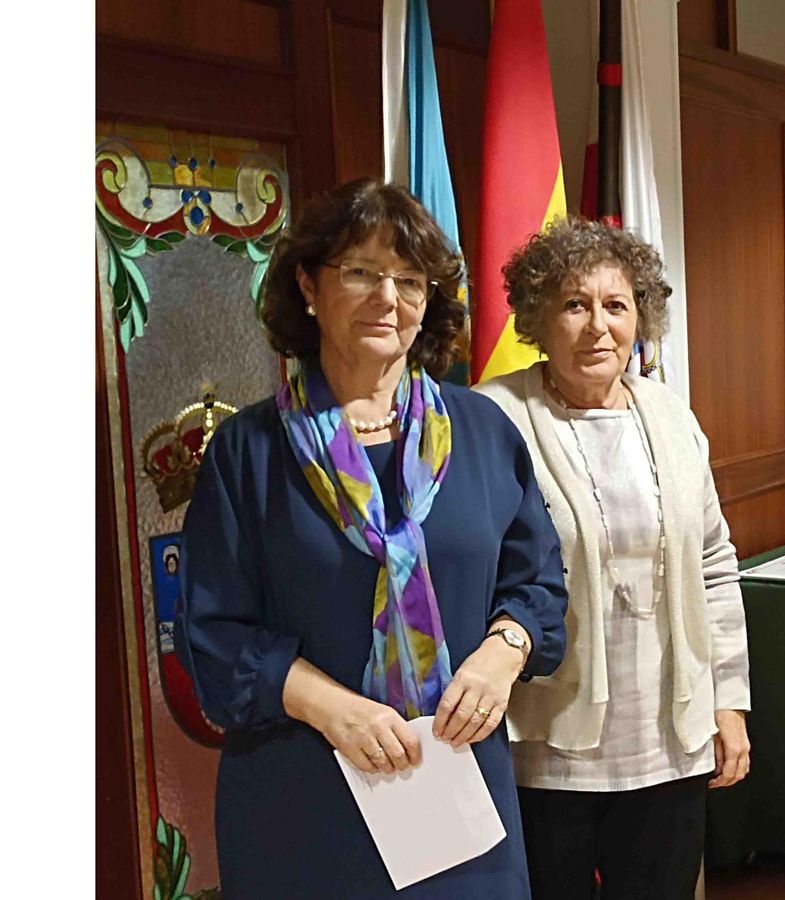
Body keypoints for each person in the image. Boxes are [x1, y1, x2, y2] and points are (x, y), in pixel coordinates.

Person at [176, 177, 569, 899]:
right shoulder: (246, 451)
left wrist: (501, 653)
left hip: (456, 795)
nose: (387, 297)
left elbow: (539, 583)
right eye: (360, 272)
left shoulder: (485, 435)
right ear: (308, 287)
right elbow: (213, 634)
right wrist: (334, 708)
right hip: (305, 803)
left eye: (409, 279)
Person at [475, 216, 752, 899]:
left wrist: (729, 702)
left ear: (641, 319)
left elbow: (715, 562)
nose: (598, 326)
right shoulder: (492, 419)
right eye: (575, 304)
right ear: (540, 316)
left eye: (616, 305)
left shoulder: (671, 414)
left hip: (671, 740)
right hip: (545, 748)